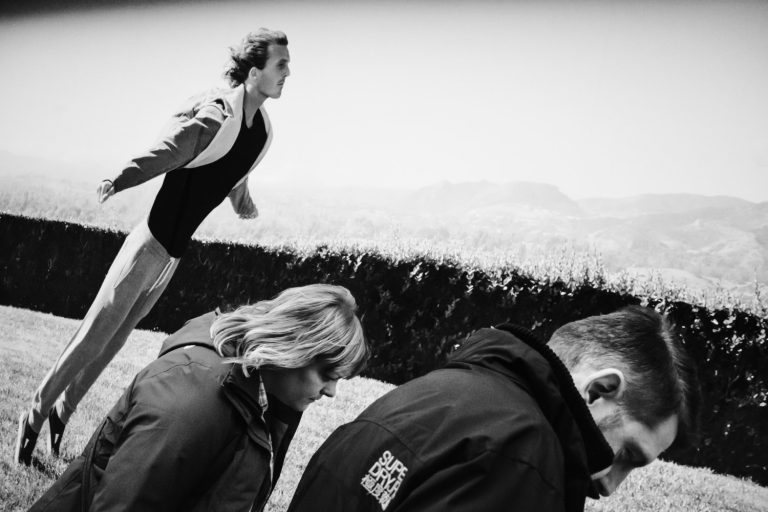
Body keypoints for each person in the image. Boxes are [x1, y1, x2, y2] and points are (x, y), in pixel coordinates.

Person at [15, 28, 291, 465]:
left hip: (171, 258)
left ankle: (62, 413)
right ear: (255, 72)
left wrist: (246, 205)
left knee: (115, 340)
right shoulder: (220, 115)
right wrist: (120, 177)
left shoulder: (261, 133)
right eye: (281, 65)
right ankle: (34, 414)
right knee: (94, 334)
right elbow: (168, 150)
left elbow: (235, 177)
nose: (287, 73)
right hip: (148, 245)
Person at [286, 306, 701, 512]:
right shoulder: (522, 458)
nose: (612, 486)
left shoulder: (434, 391)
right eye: (627, 454)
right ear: (599, 390)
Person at [28, 284, 369, 512]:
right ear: (293, 348)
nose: (330, 392)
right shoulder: (191, 400)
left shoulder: (267, 396)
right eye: (327, 376)